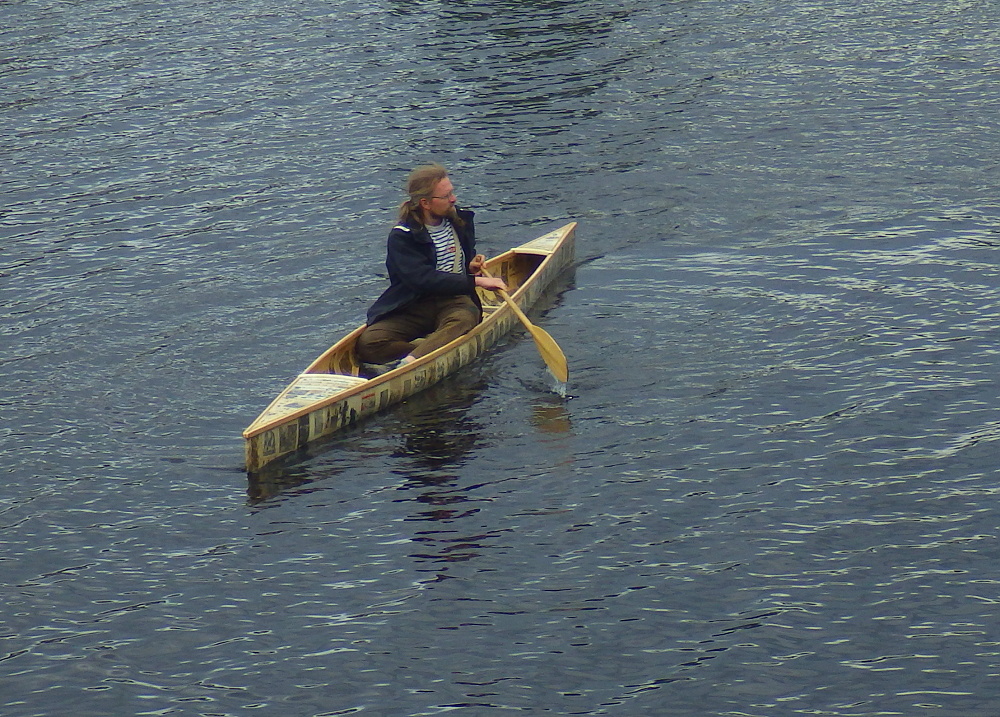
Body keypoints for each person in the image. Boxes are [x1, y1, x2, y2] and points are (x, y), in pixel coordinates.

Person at [355, 164, 507, 375]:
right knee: (369, 343)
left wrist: (470, 269)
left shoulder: (460, 221)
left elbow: (459, 265)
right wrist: (477, 282)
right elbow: (422, 279)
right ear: (425, 203)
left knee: (463, 318)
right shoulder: (402, 236)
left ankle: (410, 362)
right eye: (446, 196)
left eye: (452, 192)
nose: (453, 199)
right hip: (415, 303)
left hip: (454, 300)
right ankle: (426, 349)